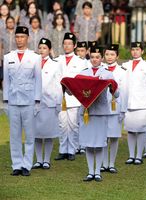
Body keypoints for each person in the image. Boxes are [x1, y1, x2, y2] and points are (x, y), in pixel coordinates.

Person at [3, 26, 42, 176]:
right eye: (17, 37)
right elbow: (6, 81)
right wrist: (5, 101)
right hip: (13, 100)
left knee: (30, 135)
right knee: (15, 136)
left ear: (28, 38)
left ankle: (27, 165)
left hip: (29, 100)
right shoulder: (8, 57)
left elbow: (38, 80)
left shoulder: (35, 57)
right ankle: (16, 165)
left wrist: (37, 101)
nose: (19, 40)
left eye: (22, 37)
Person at [78, 46, 119, 182]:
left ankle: (98, 172)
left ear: (101, 58)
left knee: (100, 142)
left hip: (101, 111)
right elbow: (75, 90)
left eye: (97, 57)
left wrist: (112, 86)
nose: (95, 60)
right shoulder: (83, 72)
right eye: (92, 57)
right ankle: (90, 172)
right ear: (89, 57)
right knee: (89, 143)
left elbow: (117, 93)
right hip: (87, 112)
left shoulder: (107, 73)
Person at [54, 32, 85, 161]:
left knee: (73, 124)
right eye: (65, 44)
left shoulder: (80, 62)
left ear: (74, 45)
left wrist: (72, 89)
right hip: (60, 96)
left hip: (74, 96)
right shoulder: (57, 60)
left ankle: (72, 149)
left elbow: (81, 80)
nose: (67, 46)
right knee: (62, 124)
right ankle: (62, 150)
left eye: (69, 44)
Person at [32, 38, 62, 170]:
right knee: (36, 133)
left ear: (49, 50)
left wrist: (58, 103)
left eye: (45, 48)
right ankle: (38, 160)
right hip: (35, 102)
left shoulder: (55, 64)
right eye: (40, 48)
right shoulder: (33, 63)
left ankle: (46, 160)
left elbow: (59, 85)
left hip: (50, 102)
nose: (42, 50)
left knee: (49, 134)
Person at [122, 42, 146, 165]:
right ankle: (131, 155)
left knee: (140, 130)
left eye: (137, 49)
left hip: (142, 102)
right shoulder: (125, 65)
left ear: (142, 51)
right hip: (128, 101)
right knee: (130, 130)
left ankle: (139, 155)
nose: (135, 52)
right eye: (133, 49)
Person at [100, 44, 127, 173]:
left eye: (112, 54)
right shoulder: (100, 70)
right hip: (102, 108)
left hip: (116, 107)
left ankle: (111, 163)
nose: (109, 57)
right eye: (107, 54)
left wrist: (123, 110)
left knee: (114, 137)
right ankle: (104, 163)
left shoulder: (122, 71)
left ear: (117, 56)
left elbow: (125, 91)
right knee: (103, 136)